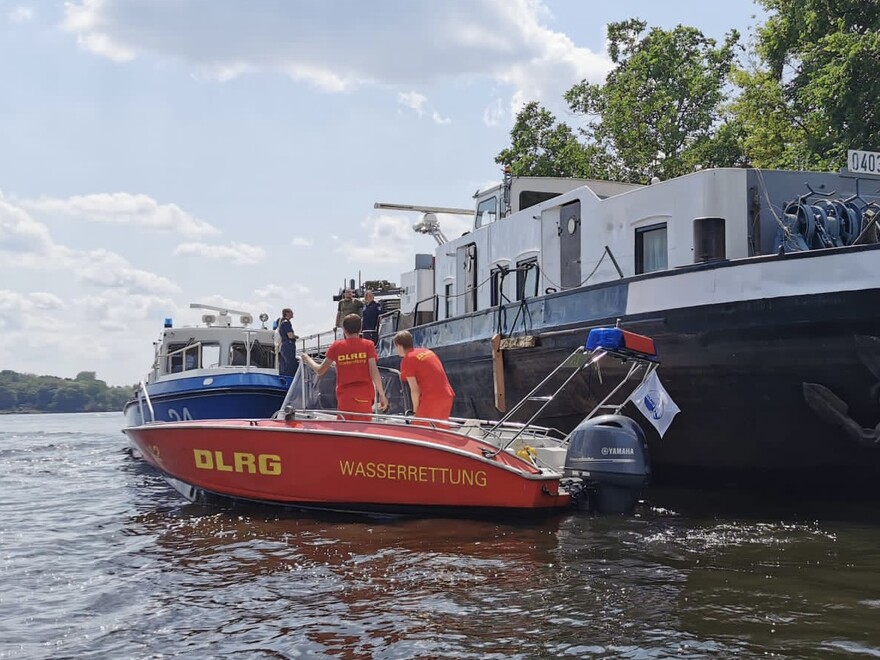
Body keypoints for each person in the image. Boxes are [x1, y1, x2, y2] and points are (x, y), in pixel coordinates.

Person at [302, 313, 388, 419]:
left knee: (345, 429)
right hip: (364, 396)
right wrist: (382, 395)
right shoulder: (368, 345)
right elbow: (374, 371)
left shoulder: (337, 346)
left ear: (344, 330)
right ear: (360, 329)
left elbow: (320, 371)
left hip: (345, 397)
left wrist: (307, 359)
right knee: (362, 431)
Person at [393, 330, 455, 422]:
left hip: (432, 399)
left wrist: (415, 412)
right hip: (447, 395)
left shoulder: (408, 359)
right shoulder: (427, 351)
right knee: (439, 431)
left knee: (420, 431)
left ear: (399, 346)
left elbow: (414, 390)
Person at [278, 308, 299, 377]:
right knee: (290, 364)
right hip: (288, 345)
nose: (293, 314)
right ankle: (290, 379)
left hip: (284, 345)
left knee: (284, 365)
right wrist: (296, 336)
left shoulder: (282, 323)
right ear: (287, 313)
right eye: (291, 312)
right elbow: (290, 335)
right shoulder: (286, 323)